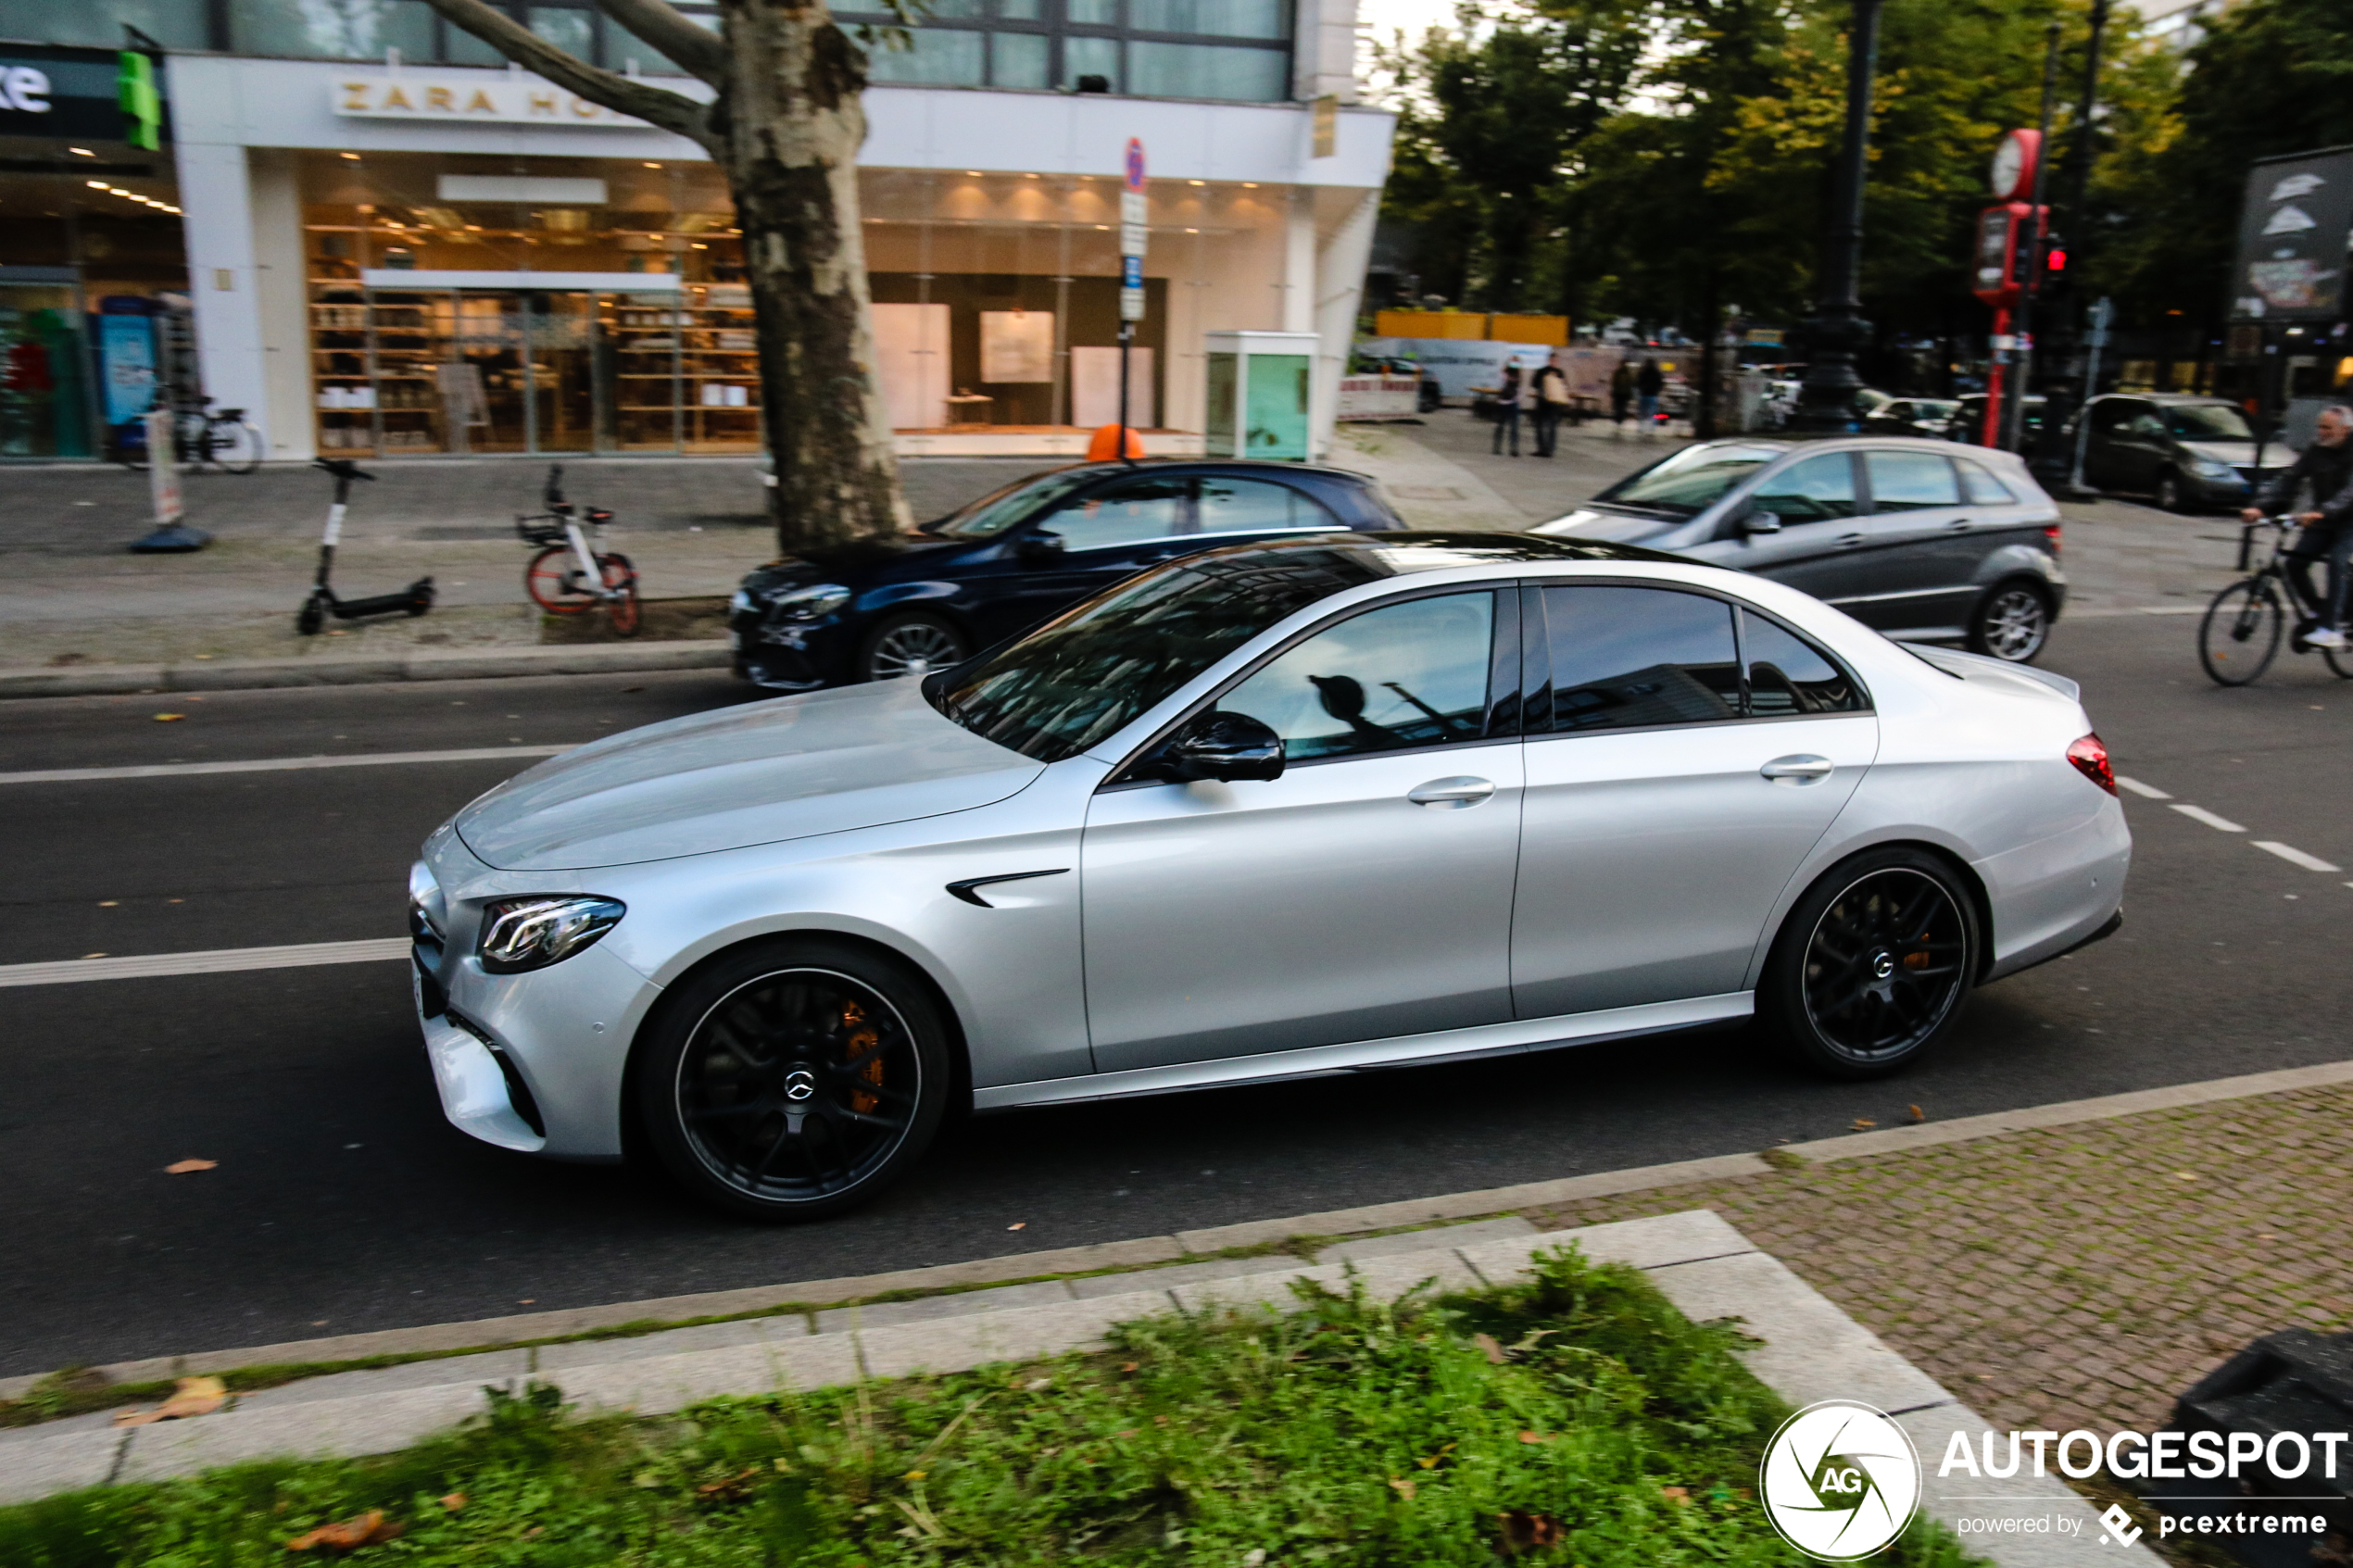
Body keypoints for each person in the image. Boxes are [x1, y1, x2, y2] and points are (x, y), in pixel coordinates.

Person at [2245, 405, 2353, 648]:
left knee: (2337, 560)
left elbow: (2350, 492)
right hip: (2323, 517)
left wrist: (2322, 512)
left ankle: (2331, 628)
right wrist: (2261, 507)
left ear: (2345, 430)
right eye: (2319, 427)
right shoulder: (2317, 450)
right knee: (2295, 563)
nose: (2321, 432)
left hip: (2348, 520)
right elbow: (2291, 478)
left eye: (2327, 427)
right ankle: (2319, 611)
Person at [1530, 358, 1569, 458]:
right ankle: (1542, 448)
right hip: (1543, 403)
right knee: (1540, 427)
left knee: (1552, 427)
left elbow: (1563, 387)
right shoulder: (1542, 371)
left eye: (1556, 361)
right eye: (1553, 360)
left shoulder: (1560, 373)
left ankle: (1549, 449)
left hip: (1554, 405)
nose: (1554, 363)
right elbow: (1534, 384)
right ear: (1550, 360)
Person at [1491, 363, 1525, 457]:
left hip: (1513, 403)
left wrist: (1518, 399)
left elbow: (1519, 390)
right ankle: (1497, 447)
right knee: (1500, 426)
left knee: (1513, 427)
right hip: (1503, 403)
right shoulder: (1504, 375)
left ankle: (1513, 448)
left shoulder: (1518, 375)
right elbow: (1502, 377)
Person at [1635, 357, 1666, 436]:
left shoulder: (1643, 372)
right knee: (1652, 412)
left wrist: (1641, 389)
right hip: (1653, 395)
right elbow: (1660, 383)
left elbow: (1638, 382)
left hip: (1644, 394)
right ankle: (1651, 428)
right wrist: (1657, 390)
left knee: (1642, 412)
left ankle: (1641, 427)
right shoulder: (1657, 373)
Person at [1609, 358, 1635, 435]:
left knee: (1618, 407)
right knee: (1622, 407)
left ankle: (1618, 421)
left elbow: (1613, 382)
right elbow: (1631, 383)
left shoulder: (1618, 372)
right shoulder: (1628, 373)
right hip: (1624, 394)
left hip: (1619, 393)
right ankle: (1620, 421)